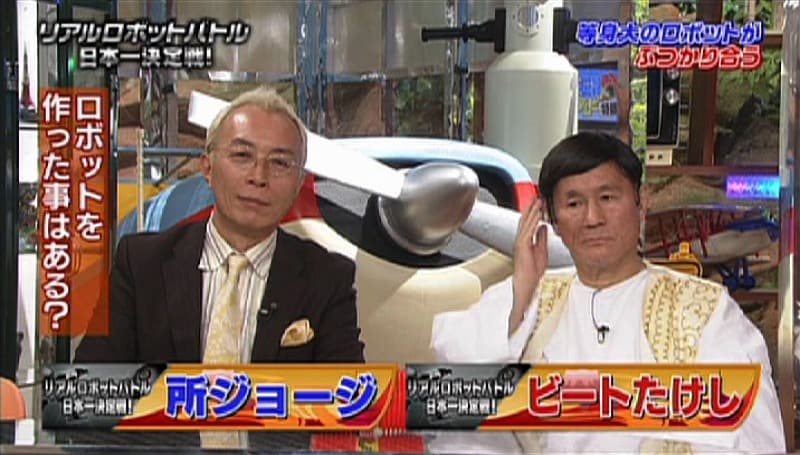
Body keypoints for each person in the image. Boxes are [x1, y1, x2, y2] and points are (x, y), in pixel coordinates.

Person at [430, 132, 785, 453]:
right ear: (551, 218)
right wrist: (521, 289)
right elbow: (453, 406)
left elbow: (749, 432)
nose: (593, 218)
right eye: (573, 204)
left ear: (641, 203)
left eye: (607, 197)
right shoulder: (528, 302)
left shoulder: (702, 309)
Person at [76, 86, 365, 365]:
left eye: (279, 163)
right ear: (208, 168)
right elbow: (92, 384)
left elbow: (349, 391)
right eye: (242, 156)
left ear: (299, 183)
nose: (258, 177)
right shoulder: (141, 265)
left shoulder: (327, 279)